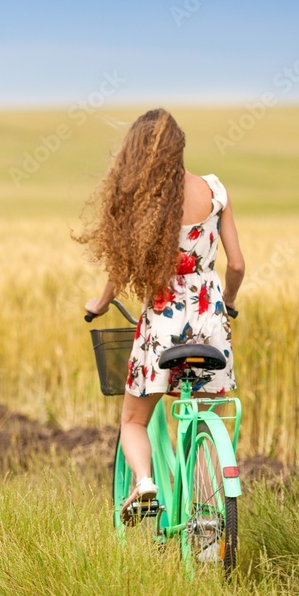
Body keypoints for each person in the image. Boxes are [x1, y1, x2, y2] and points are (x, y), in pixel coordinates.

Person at [76, 108, 245, 520]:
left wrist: (99, 304)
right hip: (210, 322)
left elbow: (120, 270)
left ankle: (145, 483)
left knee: (134, 420)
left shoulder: (143, 205)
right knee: (206, 415)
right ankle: (207, 513)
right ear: (180, 147)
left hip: (164, 323)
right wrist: (230, 302)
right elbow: (237, 266)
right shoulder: (215, 191)